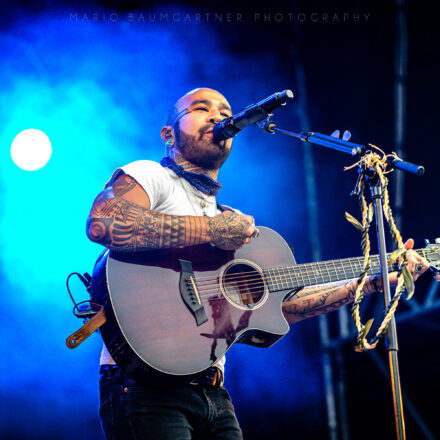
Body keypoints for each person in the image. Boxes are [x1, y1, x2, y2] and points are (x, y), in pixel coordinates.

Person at [86, 87, 429, 440]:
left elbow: (285, 307)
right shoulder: (152, 176)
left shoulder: (231, 219)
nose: (217, 116)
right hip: (144, 385)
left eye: (224, 110)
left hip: (213, 391)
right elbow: (103, 223)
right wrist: (211, 230)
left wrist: (366, 284)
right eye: (201, 109)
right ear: (168, 134)